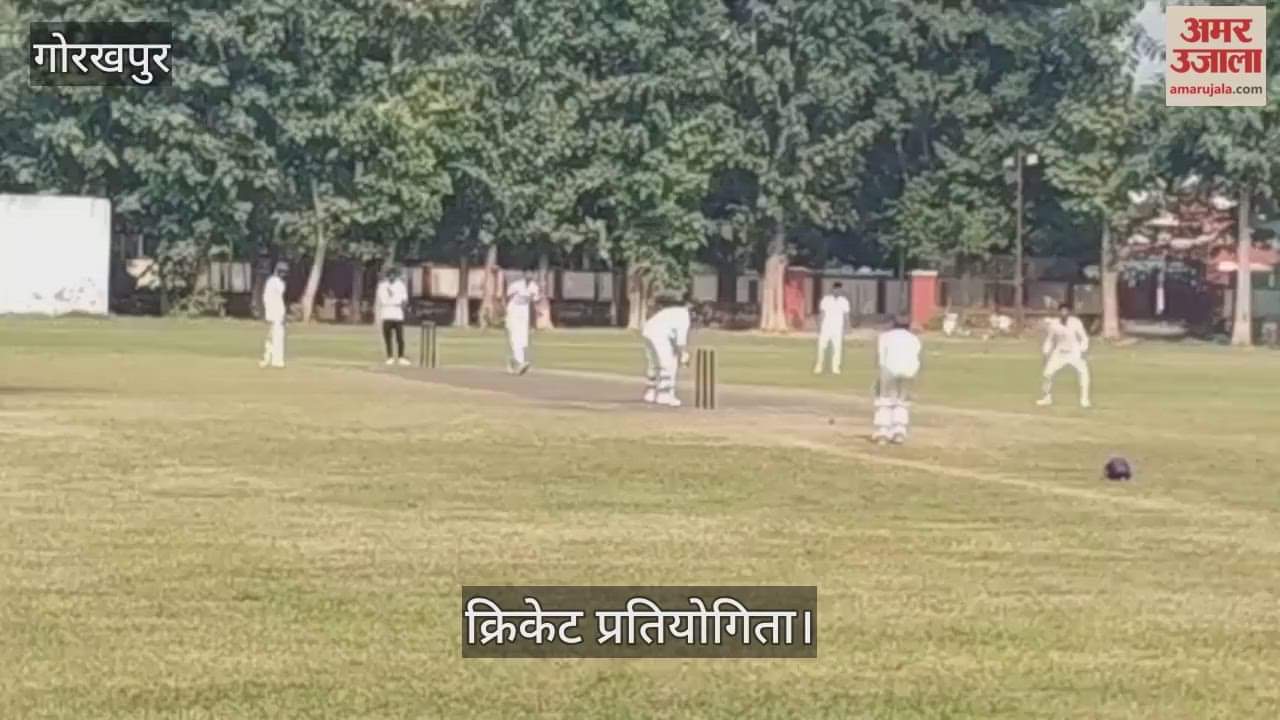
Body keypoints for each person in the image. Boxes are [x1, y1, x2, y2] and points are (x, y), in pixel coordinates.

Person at [872, 316, 922, 444]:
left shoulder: (885, 337)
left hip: (889, 369)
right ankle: (899, 431)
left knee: (884, 400)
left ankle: (883, 432)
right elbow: (916, 357)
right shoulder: (914, 339)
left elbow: (881, 357)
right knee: (902, 401)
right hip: (909, 371)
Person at [642, 294, 692, 407]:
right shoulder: (684, 314)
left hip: (648, 331)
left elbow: (673, 337)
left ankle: (651, 392)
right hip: (659, 335)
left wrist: (679, 353)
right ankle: (663, 395)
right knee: (666, 364)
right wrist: (684, 354)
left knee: (654, 363)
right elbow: (680, 340)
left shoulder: (672, 311)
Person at [1038, 302, 1091, 408]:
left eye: (1066, 310)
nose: (1064, 313)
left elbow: (1084, 337)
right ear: (1059, 312)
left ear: (1069, 312)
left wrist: (1083, 350)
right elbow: (1050, 339)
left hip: (1074, 352)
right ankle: (1046, 398)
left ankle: (1084, 399)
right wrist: (1045, 352)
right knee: (1047, 374)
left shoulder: (1075, 322)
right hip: (1059, 353)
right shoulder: (1054, 324)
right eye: (1062, 311)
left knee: (1084, 373)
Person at [505, 269, 540, 374]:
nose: (530, 275)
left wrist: (534, 323)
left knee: (523, 338)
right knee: (515, 337)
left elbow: (534, 304)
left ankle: (514, 361)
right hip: (513, 309)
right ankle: (520, 362)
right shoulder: (516, 285)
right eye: (528, 273)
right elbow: (507, 297)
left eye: (532, 273)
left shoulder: (534, 287)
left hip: (524, 311)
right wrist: (505, 311)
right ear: (524, 275)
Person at [813, 282, 852, 374]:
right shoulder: (826, 300)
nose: (837, 291)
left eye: (839, 289)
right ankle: (819, 366)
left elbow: (846, 315)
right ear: (832, 289)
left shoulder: (844, 301)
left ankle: (835, 368)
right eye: (836, 289)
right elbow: (822, 313)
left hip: (838, 328)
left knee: (837, 349)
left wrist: (848, 327)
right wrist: (819, 326)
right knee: (822, 347)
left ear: (841, 290)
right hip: (826, 327)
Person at [375, 268, 411, 365]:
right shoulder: (382, 286)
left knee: (400, 337)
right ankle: (389, 357)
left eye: (393, 275)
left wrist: (402, 305)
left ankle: (401, 357)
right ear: (387, 276)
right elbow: (382, 299)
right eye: (390, 275)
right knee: (388, 337)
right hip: (386, 313)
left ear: (396, 276)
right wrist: (391, 297)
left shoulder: (400, 285)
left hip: (397, 313)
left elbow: (404, 299)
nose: (392, 277)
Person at [259, 261, 288, 369]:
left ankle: (267, 359)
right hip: (277, 313)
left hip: (270, 312)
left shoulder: (270, 281)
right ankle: (277, 361)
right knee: (277, 337)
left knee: (270, 337)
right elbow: (278, 298)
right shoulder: (278, 283)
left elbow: (265, 298)